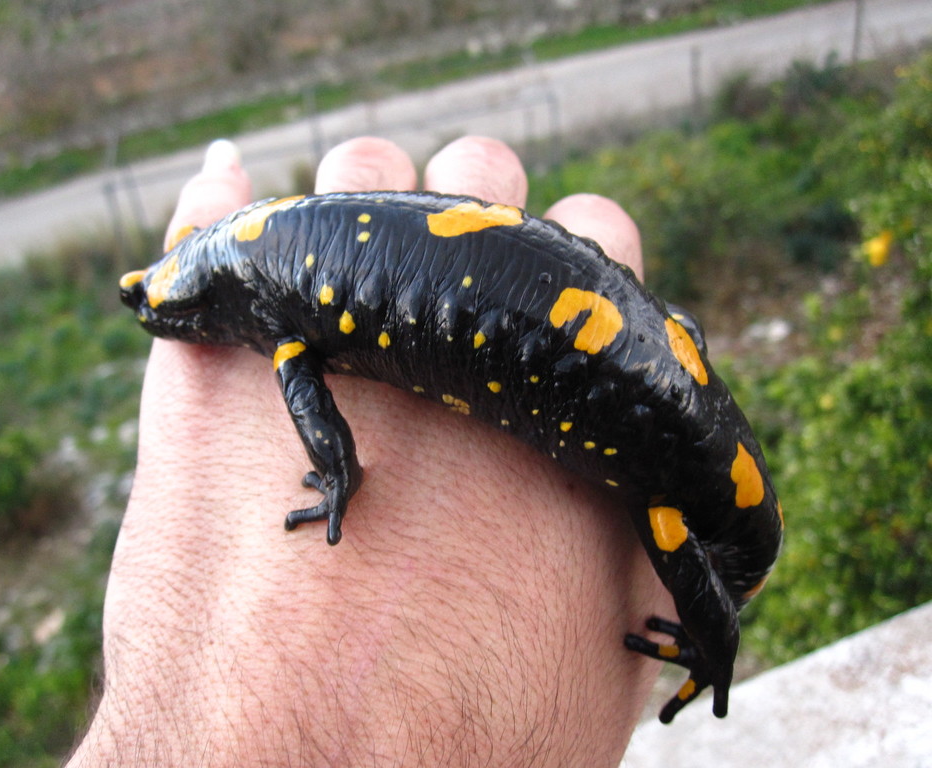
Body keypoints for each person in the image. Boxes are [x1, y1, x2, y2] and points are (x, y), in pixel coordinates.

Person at [66, 135, 672, 767]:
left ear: (214, 307)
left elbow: (322, 426)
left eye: (175, 316)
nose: (168, 327)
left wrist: (340, 481)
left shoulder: (280, 329)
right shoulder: (274, 227)